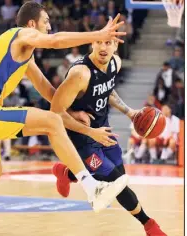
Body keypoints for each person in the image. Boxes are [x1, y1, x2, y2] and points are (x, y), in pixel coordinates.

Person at [0, 2, 129, 235]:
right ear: (31, 24)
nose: (49, 27)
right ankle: (92, 187)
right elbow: (56, 41)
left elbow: (48, 91)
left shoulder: (25, 56)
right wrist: (98, 34)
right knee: (52, 122)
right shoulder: (19, 35)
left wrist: (71, 112)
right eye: (46, 21)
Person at [50, 31, 167, 235]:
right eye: (98, 42)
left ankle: (67, 173)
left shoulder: (115, 64)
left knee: (120, 178)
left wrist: (129, 111)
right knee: (117, 184)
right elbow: (55, 112)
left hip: (103, 130)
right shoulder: (81, 73)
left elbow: (107, 90)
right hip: (81, 138)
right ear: (91, 44)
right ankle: (149, 225)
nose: (103, 48)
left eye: (108, 43)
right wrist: (87, 129)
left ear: (116, 46)